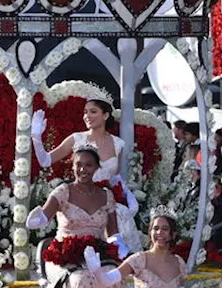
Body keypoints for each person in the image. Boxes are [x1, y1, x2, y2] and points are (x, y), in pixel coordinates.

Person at [26, 148, 125, 288]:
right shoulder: (63, 191)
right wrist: (37, 220)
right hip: (64, 255)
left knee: (114, 279)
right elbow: (45, 215)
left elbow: (112, 231)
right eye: (78, 164)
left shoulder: (106, 195)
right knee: (81, 280)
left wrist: (120, 246)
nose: (83, 169)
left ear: (97, 168)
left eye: (88, 165)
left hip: (97, 255)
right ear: (72, 166)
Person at [31, 99, 141, 252]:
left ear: (106, 115)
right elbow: (45, 160)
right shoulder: (76, 138)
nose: (87, 116)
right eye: (85, 112)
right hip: (80, 198)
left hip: (105, 199)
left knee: (120, 216)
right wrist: (36, 137)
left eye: (93, 111)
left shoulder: (118, 144)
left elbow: (116, 178)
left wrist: (128, 196)